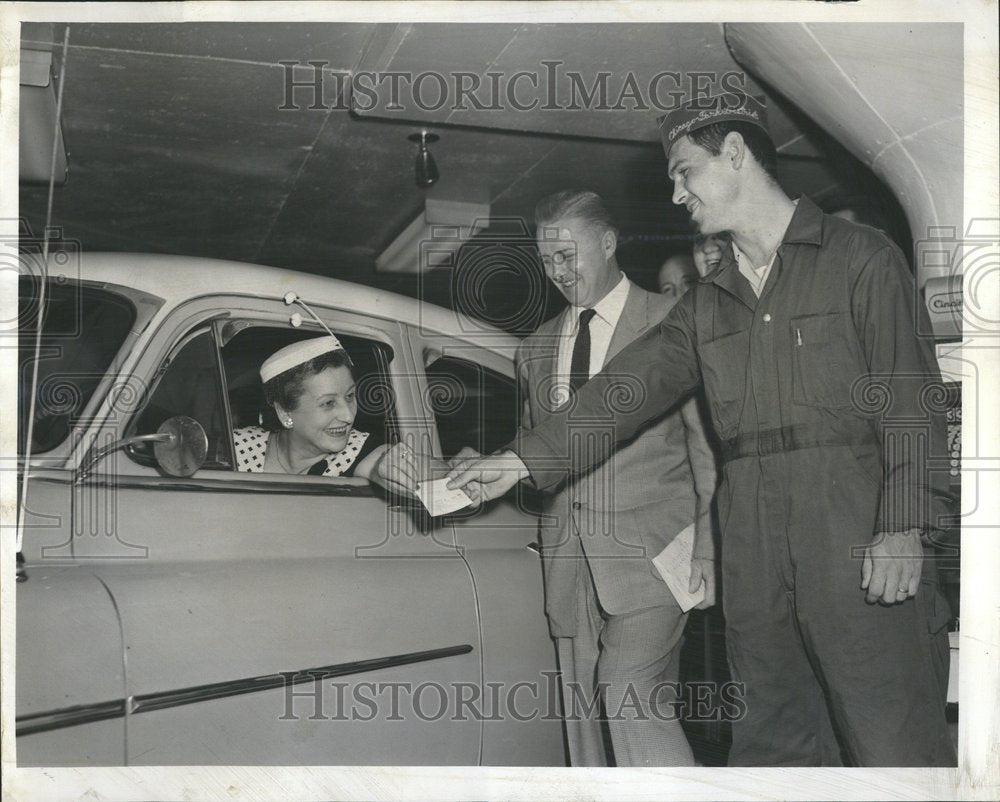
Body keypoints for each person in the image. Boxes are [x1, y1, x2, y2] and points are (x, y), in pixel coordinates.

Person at [448, 89, 955, 767]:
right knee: (774, 740)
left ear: (737, 154)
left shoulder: (859, 257)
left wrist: (903, 526)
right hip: (750, 533)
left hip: (852, 524)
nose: (677, 191)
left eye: (684, 171)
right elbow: (622, 392)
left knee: (889, 734)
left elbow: (910, 400)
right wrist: (517, 462)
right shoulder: (709, 303)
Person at [484, 189, 717, 767]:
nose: (557, 272)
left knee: (630, 692)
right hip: (568, 558)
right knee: (583, 723)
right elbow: (537, 454)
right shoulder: (534, 348)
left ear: (609, 243)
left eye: (567, 255)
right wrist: (484, 463)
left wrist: (711, 547)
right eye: (545, 261)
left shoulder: (675, 321)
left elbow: (708, 449)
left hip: (656, 555)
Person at [233, 335, 410, 490]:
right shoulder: (236, 447)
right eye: (328, 403)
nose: (348, 416)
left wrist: (396, 466)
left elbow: (428, 475)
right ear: (285, 412)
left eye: (349, 396)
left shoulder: (355, 451)